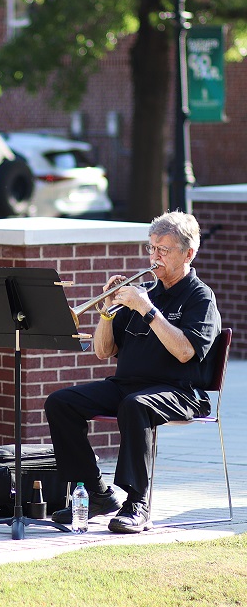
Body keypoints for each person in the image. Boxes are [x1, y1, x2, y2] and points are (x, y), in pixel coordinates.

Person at [45, 211, 221, 534]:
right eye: (151, 248)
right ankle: (96, 493)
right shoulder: (143, 293)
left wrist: (146, 309)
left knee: (135, 405)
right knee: (60, 402)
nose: (154, 257)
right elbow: (103, 351)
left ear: (188, 253)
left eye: (163, 250)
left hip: (180, 390)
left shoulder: (200, 298)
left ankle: (137, 504)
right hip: (127, 385)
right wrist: (107, 311)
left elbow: (185, 351)